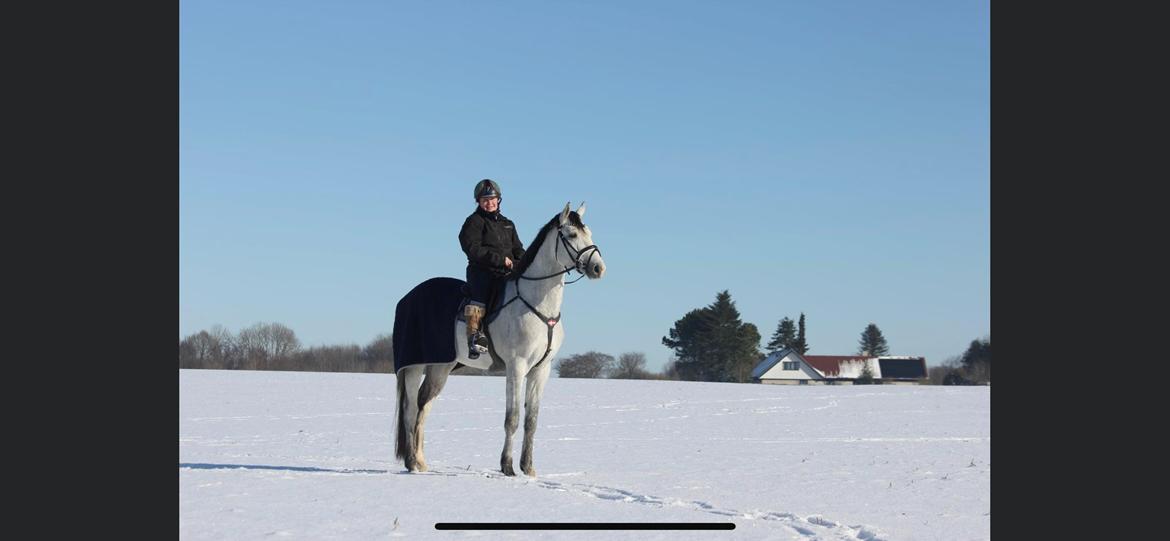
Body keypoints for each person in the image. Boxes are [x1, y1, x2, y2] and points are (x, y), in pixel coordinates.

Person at [458, 179, 525, 358]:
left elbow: (518, 249)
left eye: (492, 199)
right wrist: (499, 260)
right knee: (480, 298)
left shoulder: (508, 224)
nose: (489, 203)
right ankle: (474, 338)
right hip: (482, 271)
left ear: (499, 199)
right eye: (485, 200)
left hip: (507, 272)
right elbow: (472, 248)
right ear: (479, 202)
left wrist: (522, 262)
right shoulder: (474, 221)